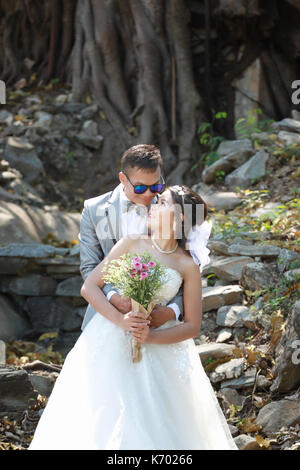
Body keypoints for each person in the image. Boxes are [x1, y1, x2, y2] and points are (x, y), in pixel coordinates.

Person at [28, 181, 239, 450]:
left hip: (161, 346)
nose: (153, 204)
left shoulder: (187, 265)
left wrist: (151, 336)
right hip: (109, 341)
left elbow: (192, 326)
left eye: (162, 202)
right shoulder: (131, 243)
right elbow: (90, 287)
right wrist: (122, 320)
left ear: (180, 217)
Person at [79, 144, 184, 332]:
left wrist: (171, 311)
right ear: (122, 179)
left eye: (156, 186)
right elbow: (89, 266)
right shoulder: (93, 210)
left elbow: (189, 268)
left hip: (160, 322)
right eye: (140, 187)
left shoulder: (173, 211)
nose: (149, 194)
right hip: (106, 315)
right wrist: (114, 299)